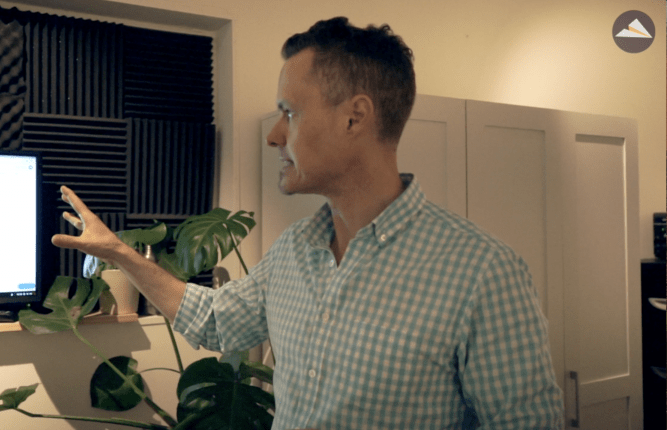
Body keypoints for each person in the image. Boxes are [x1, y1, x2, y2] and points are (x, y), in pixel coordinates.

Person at [52, 16, 564, 430]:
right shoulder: (295, 248)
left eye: (289, 113)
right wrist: (119, 252)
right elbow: (215, 320)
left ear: (354, 117)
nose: (274, 135)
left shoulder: (483, 273)